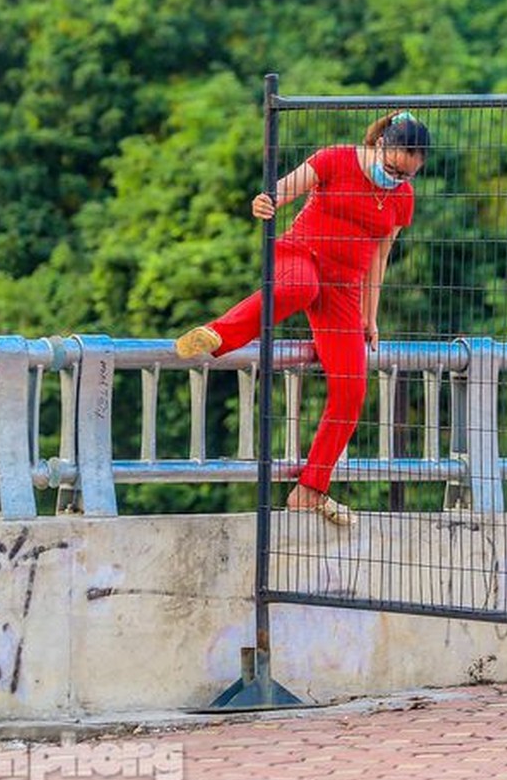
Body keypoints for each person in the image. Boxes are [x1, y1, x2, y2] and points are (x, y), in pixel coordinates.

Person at [175, 111, 431, 527]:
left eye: (407, 175)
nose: (397, 179)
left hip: (345, 288)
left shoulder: (402, 198)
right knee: (299, 289)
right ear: (380, 144)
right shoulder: (335, 159)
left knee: (351, 388)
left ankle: (310, 489)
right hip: (300, 256)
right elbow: (282, 190)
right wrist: (265, 200)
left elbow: (381, 257)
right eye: (392, 169)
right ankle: (216, 336)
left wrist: (370, 316)